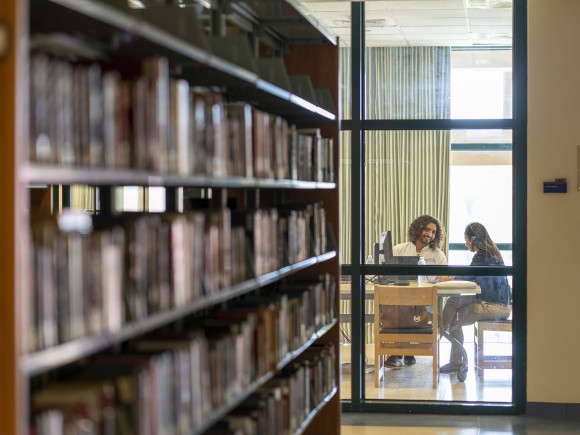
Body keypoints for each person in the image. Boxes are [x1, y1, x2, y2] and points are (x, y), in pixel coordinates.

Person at [438, 222, 512, 374]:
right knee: (453, 302)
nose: (465, 243)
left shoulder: (483, 255)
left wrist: (448, 278)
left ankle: (441, 339)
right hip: (494, 302)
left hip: (495, 306)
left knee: (454, 319)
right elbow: (473, 277)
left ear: (473, 239)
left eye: (466, 239)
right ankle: (441, 334)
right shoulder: (492, 253)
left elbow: (467, 275)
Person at [385, 214, 447, 369]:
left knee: (404, 308)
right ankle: (406, 350)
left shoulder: (438, 255)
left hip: (425, 302)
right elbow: (386, 275)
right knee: (398, 305)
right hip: (401, 300)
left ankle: (400, 352)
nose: (430, 235)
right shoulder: (399, 249)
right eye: (427, 229)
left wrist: (441, 278)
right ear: (418, 228)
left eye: (433, 232)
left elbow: (444, 279)